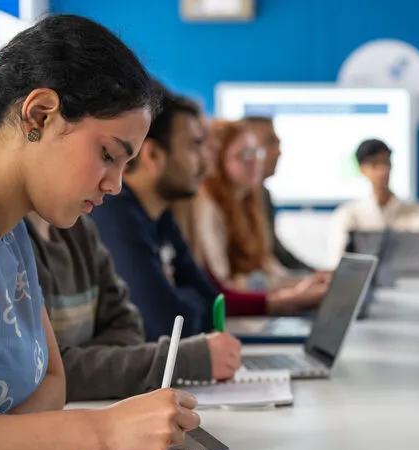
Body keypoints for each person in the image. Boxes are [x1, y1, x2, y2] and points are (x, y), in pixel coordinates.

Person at [0, 15, 199, 450]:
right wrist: (99, 432)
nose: (116, 184)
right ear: (39, 114)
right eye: (107, 155)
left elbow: (52, 386)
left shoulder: (11, 227)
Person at [90, 88, 321, 340]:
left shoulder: (160, 216)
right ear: (154, 155)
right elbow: (166, 325)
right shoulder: (117, 216)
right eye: (195, 146)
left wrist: (181, 296)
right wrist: (186, 298)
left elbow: (212, 303)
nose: (206, 163)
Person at [26, 212, 242, 401]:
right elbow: (50, 374)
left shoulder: (81, 229)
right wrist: (183, 359)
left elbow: (130, 325)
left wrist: (84, 363)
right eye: (107, 161)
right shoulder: (18, 242)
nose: (115, 186)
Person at [185, 119, 330, 297]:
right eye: (244, 155)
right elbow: (221, 284)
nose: (254, 162)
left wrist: (308, 282)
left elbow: (269, 267)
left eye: (257, 153)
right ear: (217, 161)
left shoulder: (251, 202)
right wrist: (292, 293)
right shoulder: (207, 207)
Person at [327, 138, 419, 274]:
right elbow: (336, 265)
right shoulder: (348, 215)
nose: (382, 171)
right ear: (362, 169)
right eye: (374, 164)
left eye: (385, 162)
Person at [242, 116, 314, 271]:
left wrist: (316, 274)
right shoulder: (231, 200)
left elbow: (276, 253)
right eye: (270, 142)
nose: (279, 152)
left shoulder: (263, 194)